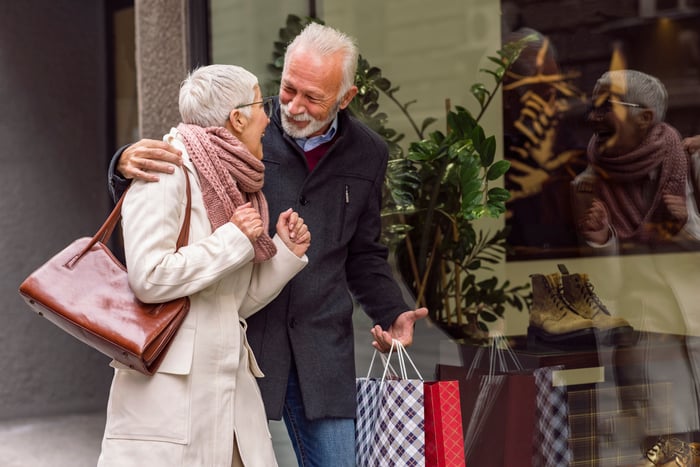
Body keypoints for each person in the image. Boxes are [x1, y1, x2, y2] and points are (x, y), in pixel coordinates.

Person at [107, 23, 428, 467]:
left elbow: (365, 252)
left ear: (345, 98)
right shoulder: (240, 132)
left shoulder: (368, 153)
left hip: (321, 348)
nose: (292, 107)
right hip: (243, 343)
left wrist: (392, 313)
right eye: (287, 89)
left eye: (312, 97)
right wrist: (121, 165)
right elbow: (174, 168)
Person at [98, 64, 311, 467]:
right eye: (262, 103)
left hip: (229, 403)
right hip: (172, 406)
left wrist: (284, 253)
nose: (270, 116)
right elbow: (149, 278)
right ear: (238, 117)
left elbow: (234, 302)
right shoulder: (166, 171)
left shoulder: (235, 187)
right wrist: (233, 238)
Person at [571, 69, 689, 250]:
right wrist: (601, 242)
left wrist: (681, 229)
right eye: (592, 108)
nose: (592, 117)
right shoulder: (585, 188)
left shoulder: (693, 164)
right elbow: (598, 273)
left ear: (644, 118)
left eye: (605, 107)